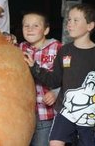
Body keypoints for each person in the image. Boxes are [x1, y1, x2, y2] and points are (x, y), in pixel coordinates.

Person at [24, 3, 95, 146]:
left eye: (76, 20)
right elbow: (54, 80)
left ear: (90, 26)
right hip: (66, 111)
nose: (70, 24)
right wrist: (34, 67)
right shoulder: (64, 51)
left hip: (89, 115)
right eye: (69, 20)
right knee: (55, 142)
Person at [19, 11, 62, 146]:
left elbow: (69, 77)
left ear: (46, 30)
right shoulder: (19, 48)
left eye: (36, 26)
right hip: (24, 113)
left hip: (46, 114)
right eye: (26, 26)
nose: (30, 29)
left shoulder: (58, 48)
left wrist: (56, 92)